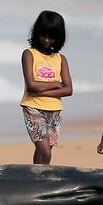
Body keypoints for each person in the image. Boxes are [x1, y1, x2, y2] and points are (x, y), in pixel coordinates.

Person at [20, 10, 72, 164]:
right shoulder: (29, 54)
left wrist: (41, 89)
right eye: (44, 35)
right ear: (37, 33)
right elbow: (31, 86)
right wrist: (56, 84)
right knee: (45, 151)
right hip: (33, 107)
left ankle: (36, 178)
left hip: (55, 110)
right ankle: (43, 178)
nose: (47, 40)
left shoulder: (61, 59)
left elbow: (69, 89)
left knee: (44, 149)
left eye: (51, 37)